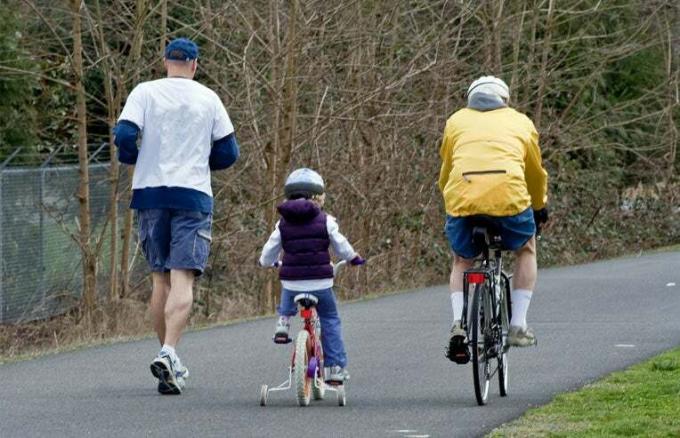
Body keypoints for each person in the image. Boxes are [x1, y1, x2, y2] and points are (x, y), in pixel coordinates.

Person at [113, 37, 239, 394]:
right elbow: (229, 152)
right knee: (183, 277)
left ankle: (167, 357)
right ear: (195, 65)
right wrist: (202, 161)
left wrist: (131, 157)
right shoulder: (209, 98)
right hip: (193, 195)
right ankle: (169, 352)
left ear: (165, 60)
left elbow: (124, 132)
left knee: (159, 279)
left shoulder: (145, 92)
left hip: (150, 193)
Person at [438, 76, 548, 361]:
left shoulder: (455, 121)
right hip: (510, 199)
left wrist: (450, 199)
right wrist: (539, 205)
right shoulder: (521, 122)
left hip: (463, 199)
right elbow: (534, 174)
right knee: (526, 249)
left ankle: (459, 324)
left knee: (462, 260)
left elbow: (448, 168)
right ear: (505, 100)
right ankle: (518, 325)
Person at [259, 168, 365, 383]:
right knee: (330, 319)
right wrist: (353, 258)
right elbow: (341, 245)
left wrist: (266, 263)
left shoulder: (282, 223)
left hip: (292, 283)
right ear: (318, 196)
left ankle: (283, 322)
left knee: (288, 288)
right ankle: (335, 368)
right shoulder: (326, 221)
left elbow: (269, 250)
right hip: (321, 282)